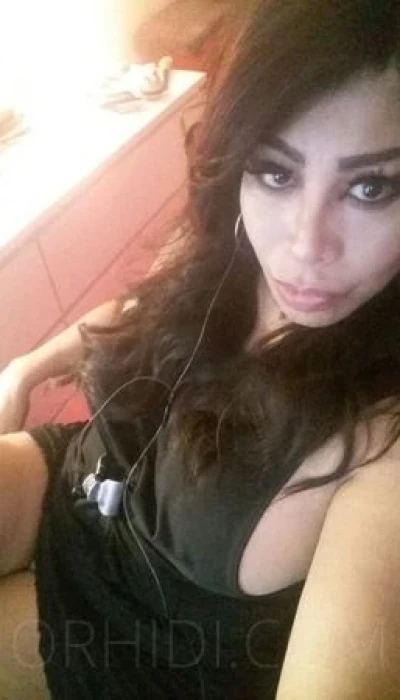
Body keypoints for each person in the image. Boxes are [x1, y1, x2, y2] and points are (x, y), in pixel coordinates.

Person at [2, 0, 400, 697]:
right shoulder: (232, 245)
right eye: (276, 171)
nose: (304, 246)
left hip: (125, 650)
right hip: (73, 485)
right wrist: (24, 369)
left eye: (370, 187)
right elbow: (141, 310)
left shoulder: (383, 441)